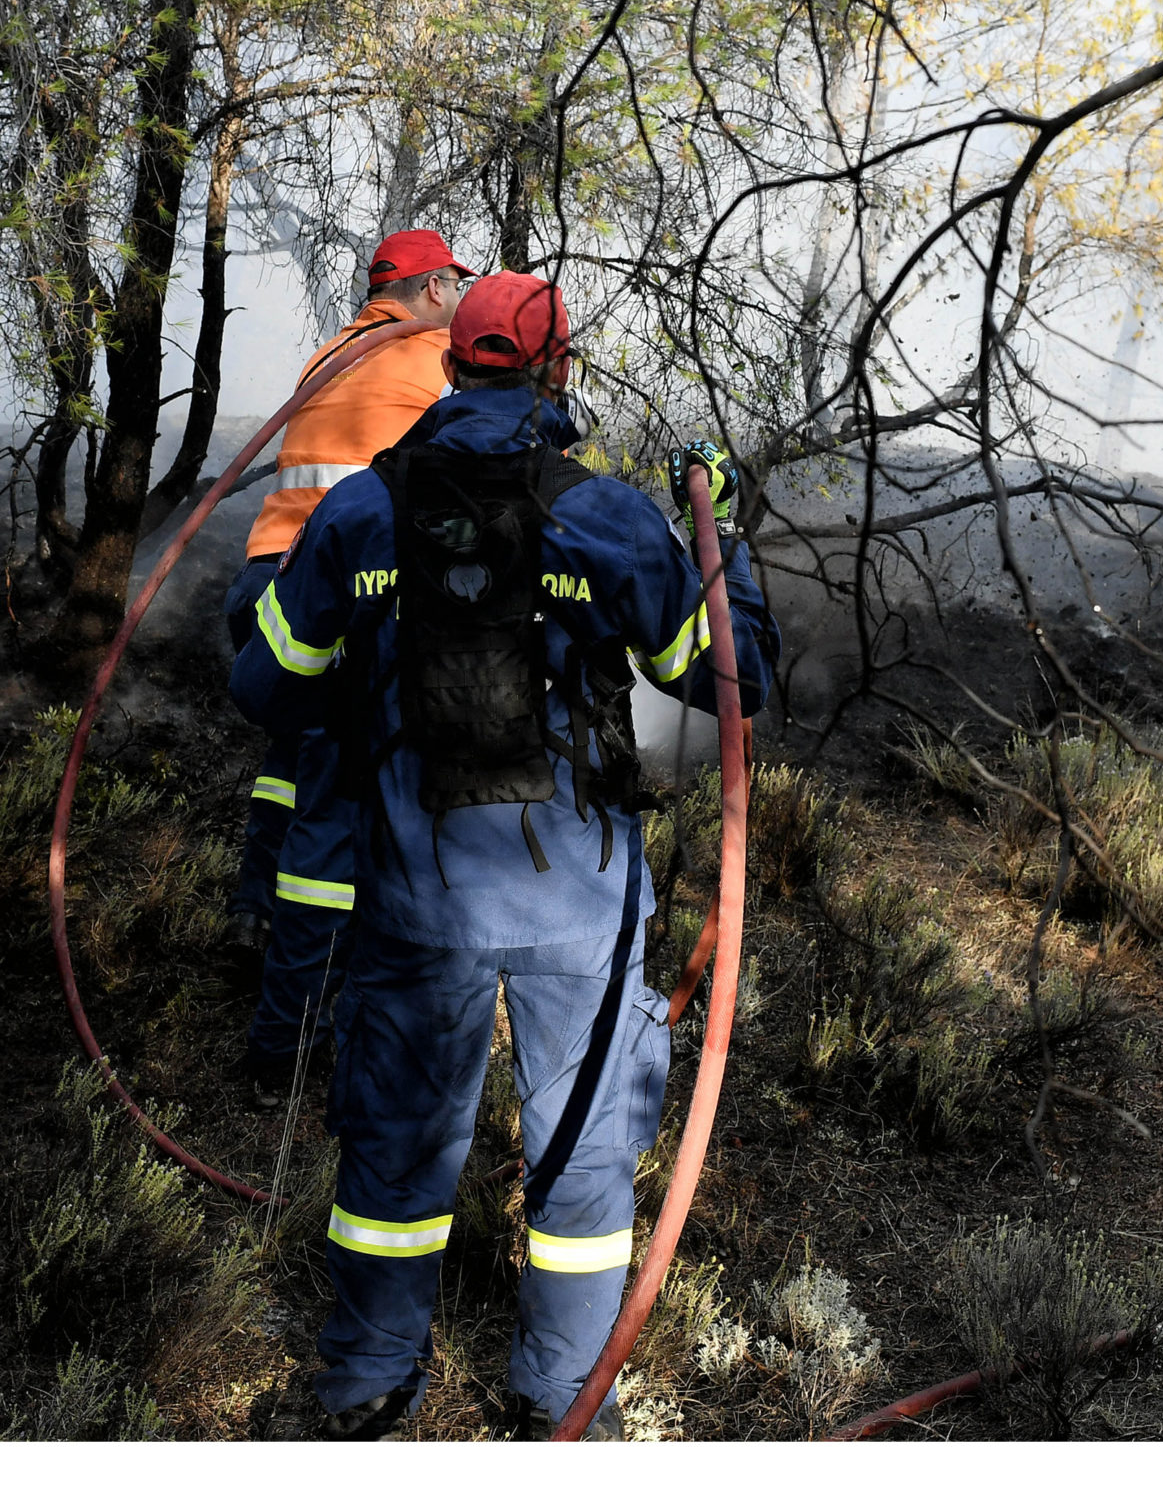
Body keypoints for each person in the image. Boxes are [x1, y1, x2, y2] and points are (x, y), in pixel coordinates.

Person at [230, 270, 779, 1440]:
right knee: (581, 1159)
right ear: (555, 369)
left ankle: (369, 1383)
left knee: (393, 1149)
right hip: (578, 900)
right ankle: (560, 1398)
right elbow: (732, 684)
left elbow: (266, 683)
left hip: (416, 897)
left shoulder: (363, 514)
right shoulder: (611, 516)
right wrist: (720, 532)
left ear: (449, 363)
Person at [222, 229, 472, 1110]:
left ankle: (254, 910)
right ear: (433, 288)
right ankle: (281, 1051)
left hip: (265, 583)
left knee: (292, 763)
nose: (462, 301)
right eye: (458, 286)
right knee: (332, 833)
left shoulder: (332, 352)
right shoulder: (439, 355)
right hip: (336, 588)